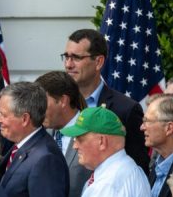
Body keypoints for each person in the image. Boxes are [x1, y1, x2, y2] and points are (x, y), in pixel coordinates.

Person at [62, 29, 147, 169]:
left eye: (76, 58)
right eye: (66, 57)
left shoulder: (126, 109)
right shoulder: (59, 103)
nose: (68, 64)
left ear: (98, 62)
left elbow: (137, 167)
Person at [36, 71, 89, 197]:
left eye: (43, 102)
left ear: (63, 101)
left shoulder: (91, 133)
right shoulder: (42, 134)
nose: (38, 109)